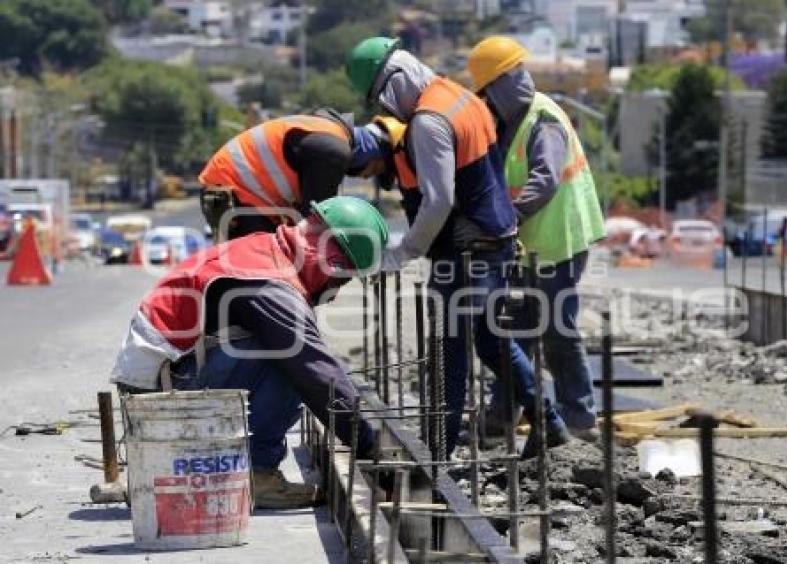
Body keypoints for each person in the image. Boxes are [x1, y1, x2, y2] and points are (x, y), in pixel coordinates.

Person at [346, 37, 568, 457]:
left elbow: (440, 200)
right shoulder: (457, 95)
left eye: (380, 96)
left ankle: (439, 454)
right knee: (489, 340)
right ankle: (548, 420)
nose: (386, 106)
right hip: (493, 239)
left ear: (391, 83)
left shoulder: (429, 121)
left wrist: (401, 253)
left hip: (470, 251)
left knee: (450, 351)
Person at [111, 196, 388, 509]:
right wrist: (368, 447)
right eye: (343, 279)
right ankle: (260, 473)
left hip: (162, 377)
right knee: (294, 359)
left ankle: (244, 467)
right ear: (333, 262)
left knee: (293, 349)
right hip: (160, 394)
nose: (336, 291)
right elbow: (317, 372)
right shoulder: (271, 282)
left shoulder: (266, 250)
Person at [467, 36, 606, 442]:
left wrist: (503, 220)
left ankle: (579, 418)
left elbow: (544, 180)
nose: (486, 100)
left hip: (559, 241)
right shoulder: (510, 120)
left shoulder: (543, 120)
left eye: (518, 72)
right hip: (530, 245)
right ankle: (502, 416)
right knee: (517, 329)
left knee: (557, 329)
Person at [198, 109, 389, 241]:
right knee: (260, 276)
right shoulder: (332, 150)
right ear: (371, 154)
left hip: (232, 189)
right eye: (373, 170)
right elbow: (315, 221)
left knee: (267, 277)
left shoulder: (325, 132)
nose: (364, 177)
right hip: (231, 190)